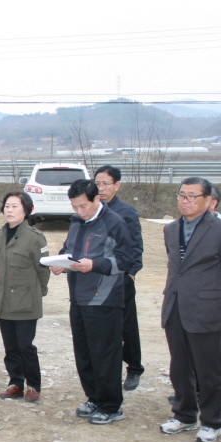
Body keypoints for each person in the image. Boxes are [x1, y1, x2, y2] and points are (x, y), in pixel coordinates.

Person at [158, 178, 221, 442]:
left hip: (207, 308)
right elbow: (176, 266)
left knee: (208, 370)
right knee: (179, 366)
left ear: (208, 200)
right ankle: (184, 414)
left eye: (193, 196)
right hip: (175, 306)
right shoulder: (171, 229)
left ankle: (212, 421)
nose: (186, 201)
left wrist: (211, 295)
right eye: (182, 195)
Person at [50, 179, 133, 425]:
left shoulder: (114, 222)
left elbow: (126, 260)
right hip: (79, 297)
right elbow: (69, 250)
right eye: (74, 207)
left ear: (97, 198)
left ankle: (112, 405)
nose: (79, 211)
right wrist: (61, 263)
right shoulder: (76, 222)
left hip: (104, 298)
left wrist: (95, 265)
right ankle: (94, 397)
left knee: (105, 353)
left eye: (83, 206)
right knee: (84, 352)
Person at [0, 192, 49, 402]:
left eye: (15, 206)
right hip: (4, 299)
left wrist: (38, 293)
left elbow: (43, 269)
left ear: (26, 210)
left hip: (26, 300)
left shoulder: (35, 237)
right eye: (7, 205)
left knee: (25, 346)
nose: (9, 210)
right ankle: (15, 382)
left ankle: (33, 384)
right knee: (11, 347)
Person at [93, 165, 145, 390]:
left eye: (106, 184)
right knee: (101, 327)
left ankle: (134, 368)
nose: (101, 188)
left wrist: (131, 273)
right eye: (97, 184)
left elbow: (136, 247)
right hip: (96, 278)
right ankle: (105, 368)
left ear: (117, 185)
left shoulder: (126, 212)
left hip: (120, 277)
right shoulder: (91, 209)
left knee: (126, 326)